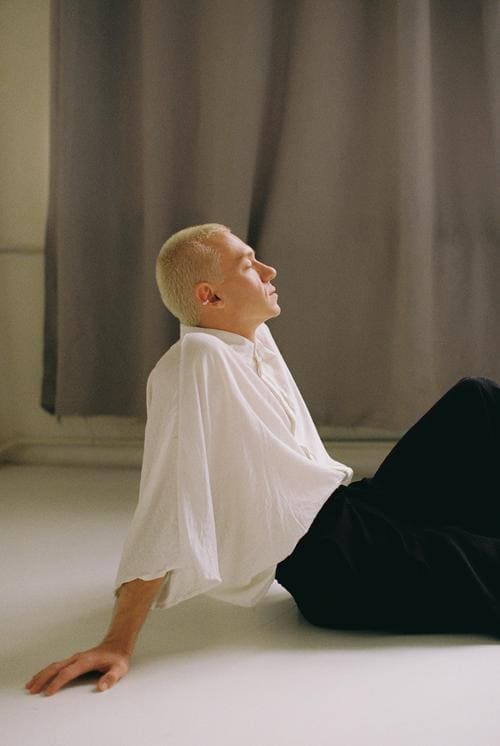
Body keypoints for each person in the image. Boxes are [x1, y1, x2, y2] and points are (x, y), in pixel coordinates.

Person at [26, 224, 500, 697]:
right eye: (248, 265)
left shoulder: (251, 338)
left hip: (351, 508)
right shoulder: (195, 361)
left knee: (475, 398)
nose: (269, 270)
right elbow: (167, 501)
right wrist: (118, 641)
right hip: (338, 565)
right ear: (210, 296)